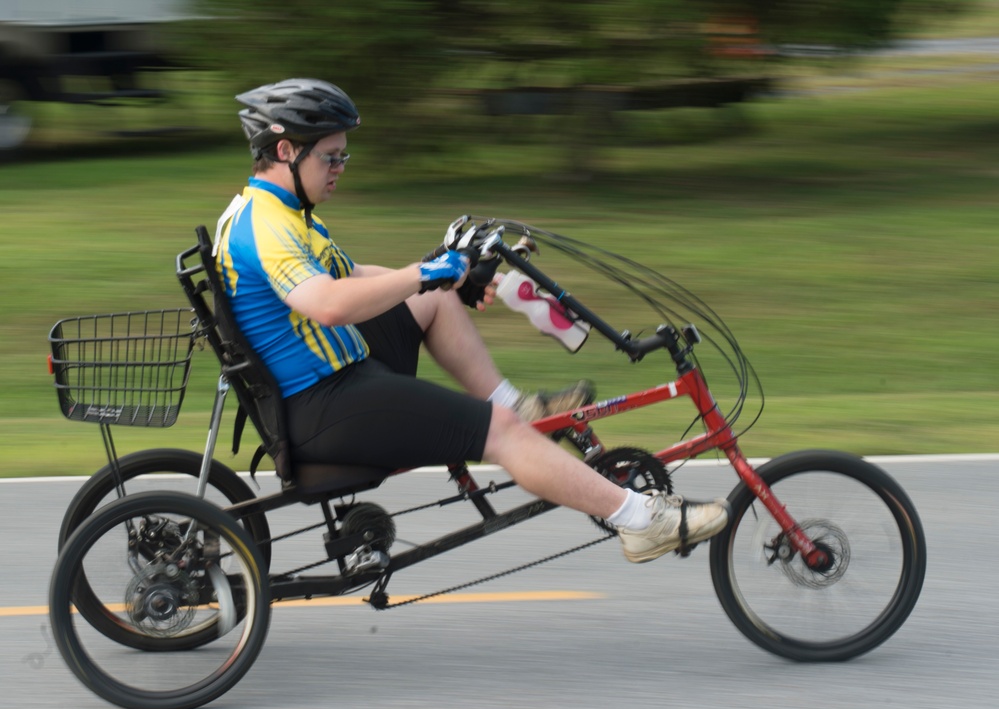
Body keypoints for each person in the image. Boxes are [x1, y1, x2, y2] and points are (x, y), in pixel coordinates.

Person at [214, 78, 729, 563]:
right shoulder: (268, 226)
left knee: (435, 301)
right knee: (499, 433)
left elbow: (354, 276)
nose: (341, 166)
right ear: (286, 151)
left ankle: (516, 407)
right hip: (322, 405)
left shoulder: (279, 213)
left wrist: (443, 277)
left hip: (330, 371)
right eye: (331, 156)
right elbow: (329, 303)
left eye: (342, 155)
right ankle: (640, 520)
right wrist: (422, 271)